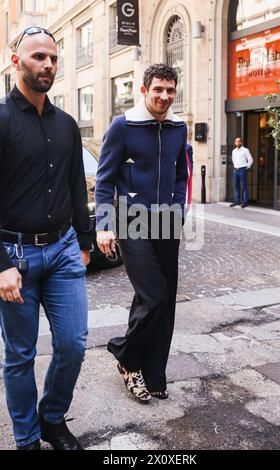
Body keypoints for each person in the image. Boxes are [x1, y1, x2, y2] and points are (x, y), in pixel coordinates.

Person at [0, 26, 91, 450]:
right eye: (38, 57)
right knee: (20, 357)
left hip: (64, 250)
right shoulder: (1, 120)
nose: (48, 65)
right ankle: (27, 438)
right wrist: (1, 264)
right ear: (16, 61)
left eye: (53, 58)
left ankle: (52, 418)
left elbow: (76, 187)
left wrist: (86, 244)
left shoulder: (67, 124)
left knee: (72, 344)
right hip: (14, 258)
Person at [95, 64, 188, 403]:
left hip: (167, 222)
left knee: (163, 303)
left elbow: (182, 175)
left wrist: (179, 209)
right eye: (158, 89)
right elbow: (104, 180)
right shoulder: (123, 126)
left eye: (170, 90)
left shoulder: (179, 128)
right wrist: (104, 226)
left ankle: (153, 373)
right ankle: (126, 354)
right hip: (131, 219)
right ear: (144, 90)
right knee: (153, 295)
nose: (164, 96)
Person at [230, 137, 253, 208]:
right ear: (235, 143)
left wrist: (247, 167)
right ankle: (237, 201)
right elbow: (233, 159)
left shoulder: (245, 150)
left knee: (243, 186)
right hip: (236, 170)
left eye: (239, 141)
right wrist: (235, 166)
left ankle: (245, 202)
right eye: (236, 141)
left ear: (241, 142)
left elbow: (250, 160)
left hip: (242, 169)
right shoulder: (234, 151)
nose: (237, 143)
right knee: (236, 185)